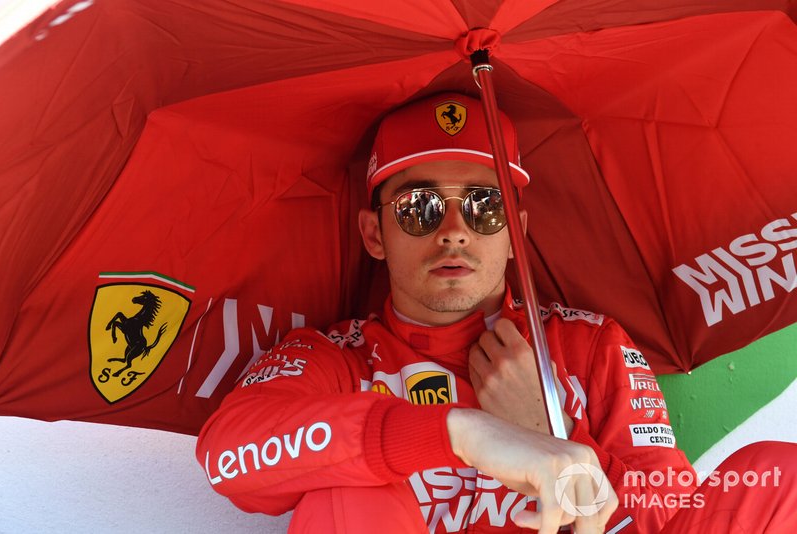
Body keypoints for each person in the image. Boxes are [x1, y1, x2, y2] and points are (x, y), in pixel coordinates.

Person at [196, 92, 709, 533]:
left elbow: (672, 517)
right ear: (374, 235)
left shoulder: (590, 345)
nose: (455, 231)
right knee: (348, 499)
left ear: (515, 232)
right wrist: (458, 434)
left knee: (782, 475)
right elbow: (226, 456)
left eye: (484, 206)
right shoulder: (334, 358)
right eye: (419, 207)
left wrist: (549, 428)